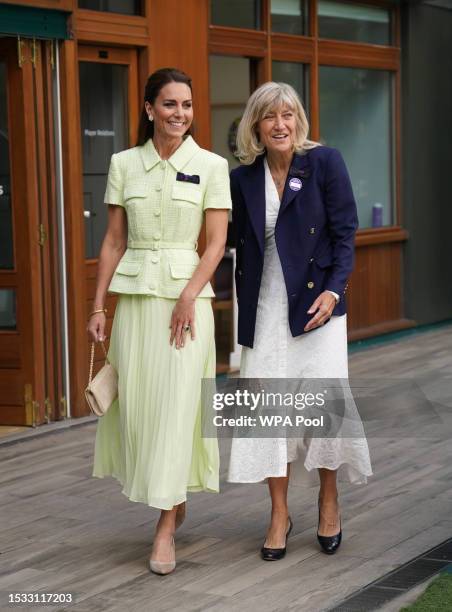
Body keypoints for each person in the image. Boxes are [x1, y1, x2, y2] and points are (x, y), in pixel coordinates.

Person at [88, 67, 231, 575]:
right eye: (170, 104)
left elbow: (215, 244)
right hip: (137, 305)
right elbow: (112, 240)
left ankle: (165, 525)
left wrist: (190, 296)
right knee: (143, 411)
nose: (180, 114)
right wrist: (99, 306)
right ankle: (171, 495)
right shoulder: (124, 163)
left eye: (187, 105)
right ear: (149, 109)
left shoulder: (212, 165)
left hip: (186, 305)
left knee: (177, 409)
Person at [228, 81, 372, 559]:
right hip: (265, 305)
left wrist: (334, 290)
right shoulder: (243, 177)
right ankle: (278, 513)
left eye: (287, 115)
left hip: (317, 305)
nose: (280, 125)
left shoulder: (324, 163)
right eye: (269, 116)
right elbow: (225, 238)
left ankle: (329, 499)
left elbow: (346, 233)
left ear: (299, 121)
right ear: (256, 125)